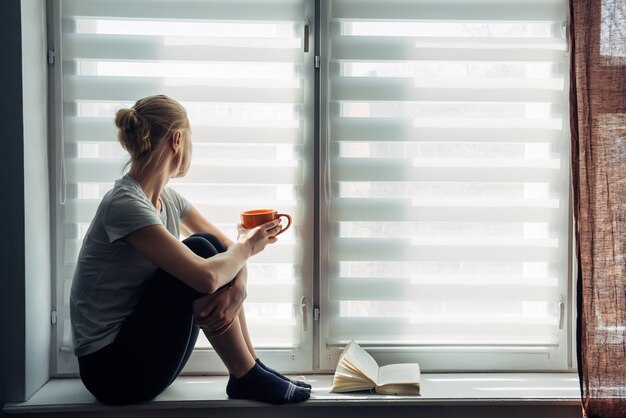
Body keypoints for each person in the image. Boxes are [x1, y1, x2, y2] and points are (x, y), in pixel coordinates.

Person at [69, 94, 311, 406]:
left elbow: (227, 247)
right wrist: (248, 247)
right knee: (201, 250)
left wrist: (239, 288)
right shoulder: (125, 205)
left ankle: (250, 366)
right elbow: (209, 276)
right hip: (112, 372)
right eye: (191, 138)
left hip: (141, 356)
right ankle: (246, 375)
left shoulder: (168, 199)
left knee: (209, 246)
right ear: (177, 140)